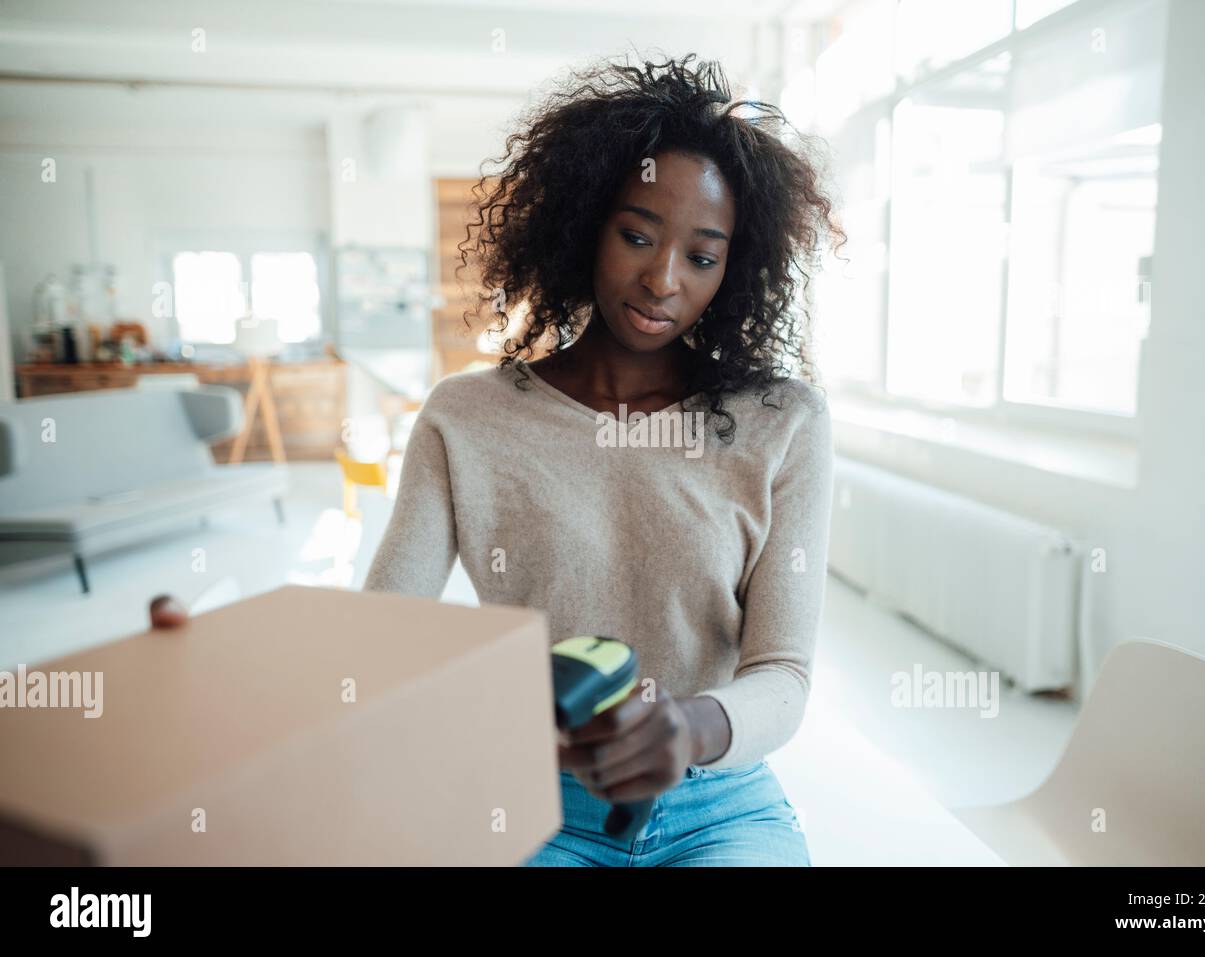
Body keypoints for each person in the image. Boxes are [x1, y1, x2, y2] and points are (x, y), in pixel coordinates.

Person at [151, 52, 843, 867]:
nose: (662, 279)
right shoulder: (467, 418)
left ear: (733, 269)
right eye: (635, 235)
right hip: (531, 802)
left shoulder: (781, 422)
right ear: (585, 225)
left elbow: (783, 674)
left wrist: (689, 727)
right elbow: (383, 636)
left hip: (719, 805)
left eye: (701, 255)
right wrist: (239, 653)